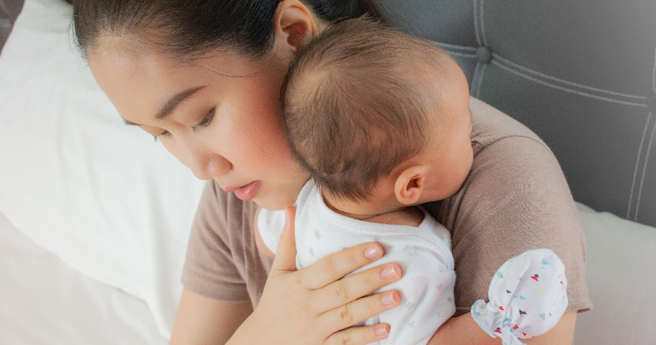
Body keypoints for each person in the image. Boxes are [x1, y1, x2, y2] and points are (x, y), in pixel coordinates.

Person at [73, 0, 593, 344]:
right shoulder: (246, 186)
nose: (199, 167)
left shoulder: (496, 180)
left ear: (295, 34)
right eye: (160, 135)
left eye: (202, 118)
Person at [255, 17, 472, 344]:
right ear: (412, 185)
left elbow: (264, 236)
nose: (476, 137)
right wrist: (497, 317)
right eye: (468, 132)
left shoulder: (306, 202)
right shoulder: (412, 262)